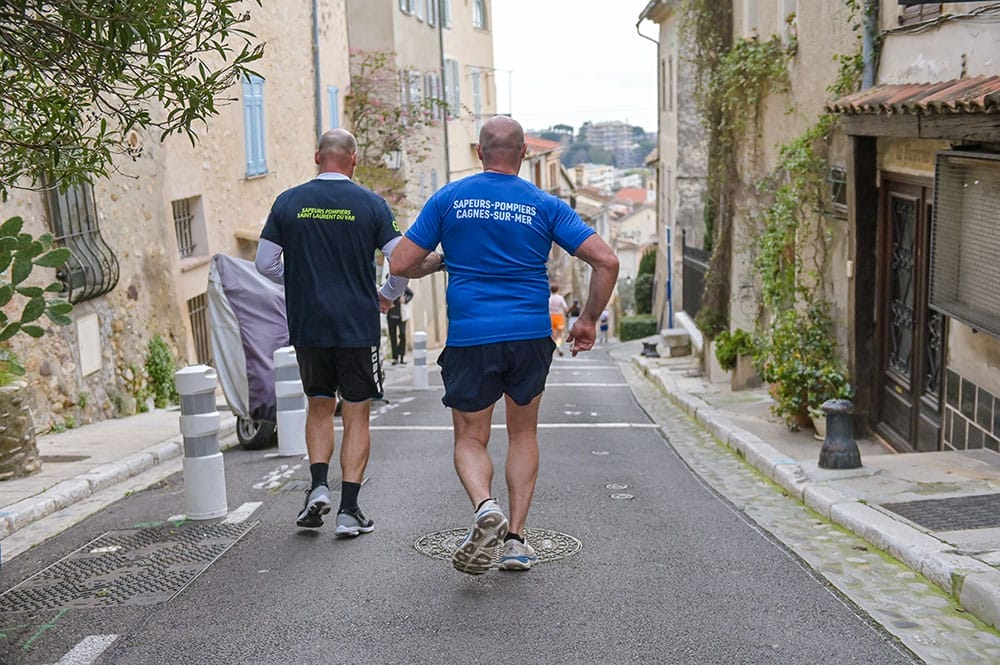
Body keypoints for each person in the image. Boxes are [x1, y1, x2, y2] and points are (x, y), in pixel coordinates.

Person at [388, 115, 619, 574]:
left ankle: (484, 506)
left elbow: (400, 263)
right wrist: (588, 320)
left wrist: (441, 262)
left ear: (479, 153)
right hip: (529, 335)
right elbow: (607, 261)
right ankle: (515, 540)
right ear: (523, 155)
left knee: (471, 437)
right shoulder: (544, 204)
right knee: (523, 434)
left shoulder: (449, 198)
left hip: (472, 336)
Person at [254, 128, 439, 536]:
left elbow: (265, 263)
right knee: (356, 413)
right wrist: (386, 296)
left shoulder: (288, 202)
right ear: (353, 159)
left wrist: (300, 280)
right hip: (357, 324)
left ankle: (318, 487)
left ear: (317, 156)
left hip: (309, 323)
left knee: (319, 405)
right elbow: (400, 262)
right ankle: (349, 510)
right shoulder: (372, 204)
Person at [386, 286, 414, 364]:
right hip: (391, 315)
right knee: (393, 337)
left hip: (402, 315)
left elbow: (411, 294)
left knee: (402, 334)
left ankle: (402, 356)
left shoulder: (402, 285)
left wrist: (405, 299)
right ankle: (395, 358)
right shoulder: (387, 287)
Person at [548, 285, 568, 356]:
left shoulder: (549, 298)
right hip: (559, 317)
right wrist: (567, 314)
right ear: (557, 290)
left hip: (551, 317)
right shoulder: (560, 298)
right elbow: (565, 308)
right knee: (559, 335)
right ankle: (559, 347)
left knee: (552, 335)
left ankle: (553, 347)